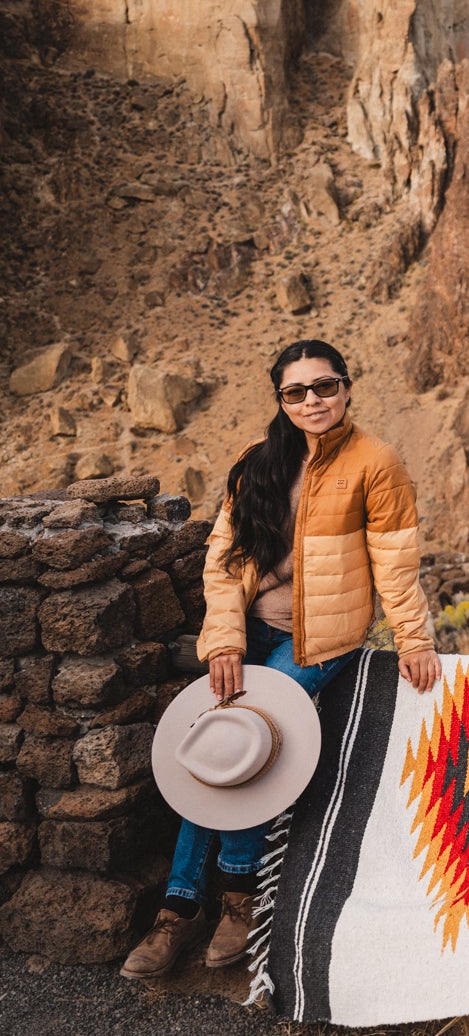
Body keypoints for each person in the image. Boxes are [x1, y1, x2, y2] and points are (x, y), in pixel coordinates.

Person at [121, 340, 441, 980]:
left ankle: (236, 899)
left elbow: (397, 569)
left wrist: (415, 640)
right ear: (281, 399)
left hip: (320, 642)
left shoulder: (376, 463)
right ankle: (180, 910)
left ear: (346, 388)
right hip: (252, 636)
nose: (312, 401)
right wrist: (226, 640)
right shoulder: (256, 462)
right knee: (211, 750)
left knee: (248, 742)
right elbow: (224, 562)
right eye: (296, 392)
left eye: (324, 387)